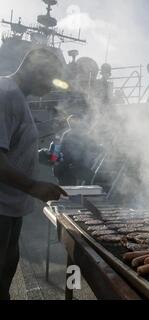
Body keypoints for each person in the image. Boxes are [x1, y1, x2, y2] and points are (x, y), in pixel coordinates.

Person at [0, 48, 68, 300]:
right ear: (32, 65)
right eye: (49, 77)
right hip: (1, 210)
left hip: (11, 211)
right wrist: (33, 186)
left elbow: (10, 148)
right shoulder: (5, 94)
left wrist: (39, 155)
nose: (51, 86)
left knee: (6, 274)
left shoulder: (18, 98)